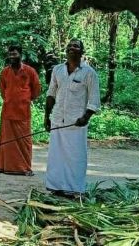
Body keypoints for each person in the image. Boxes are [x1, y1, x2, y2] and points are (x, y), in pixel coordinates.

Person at [44, 39, 100, 196]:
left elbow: (94, 101)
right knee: (56, 156)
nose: (72, 48)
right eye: (69, 46)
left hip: (76, 124)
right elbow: (51, 94)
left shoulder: (89, 73)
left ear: (82, 52)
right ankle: (55, 187)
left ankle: (73, 188)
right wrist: (46, 117)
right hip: (57, 120)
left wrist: (86, 117)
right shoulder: (57, 70)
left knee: (75, 157)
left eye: (76, 46)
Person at [0, 45, 41, 176]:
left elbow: (36, 89)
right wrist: (11, 99)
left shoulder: (30, 71)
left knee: (24, 140)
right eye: (10, 55)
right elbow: (3, 91)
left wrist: (24, 99)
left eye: (15, 54)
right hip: (8, 111)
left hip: (23, 112)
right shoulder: (4, 72)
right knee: (6, 139)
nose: (12, 57)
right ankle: (5, 166)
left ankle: (24, 167)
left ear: (21, 55)